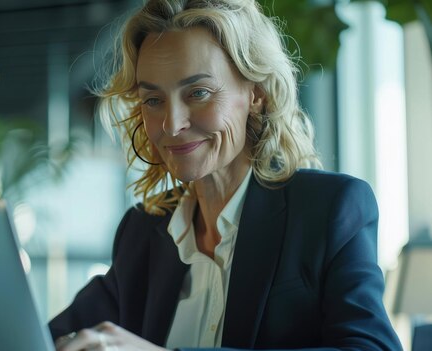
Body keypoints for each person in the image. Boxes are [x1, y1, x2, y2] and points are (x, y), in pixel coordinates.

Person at [49, 0, 402, 350]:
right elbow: (42, 337)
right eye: (153, 100)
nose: (172, 124)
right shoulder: (144, 232)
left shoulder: (329, 210)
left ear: (256, 94)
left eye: (198, 93)